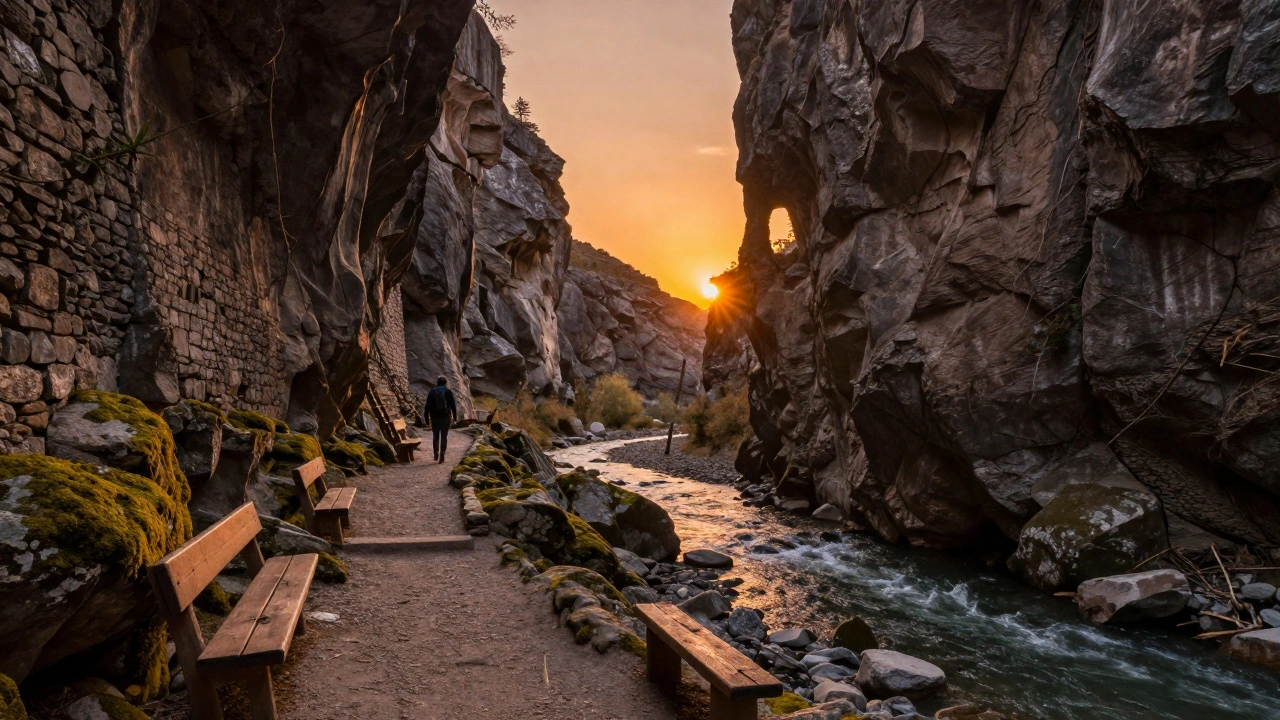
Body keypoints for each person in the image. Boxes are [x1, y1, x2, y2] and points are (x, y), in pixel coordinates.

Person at [424, 376, 458, 463]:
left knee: (435, 436)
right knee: (444, 436)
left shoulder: (432, 392)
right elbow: (453, 406)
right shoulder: (448, 392)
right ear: (445, 383)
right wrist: (455, 418)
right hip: (445, 416)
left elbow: (427, 407)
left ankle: (436, 452)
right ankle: (442, 452)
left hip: (434, 417)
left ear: (437, 383)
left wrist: (427, 421)